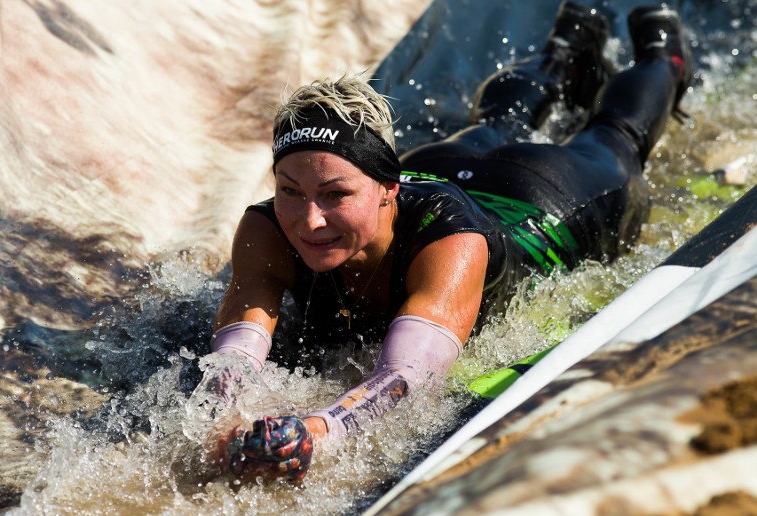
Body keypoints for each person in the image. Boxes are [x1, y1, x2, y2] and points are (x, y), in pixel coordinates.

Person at [207, 2, 693, 481]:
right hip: (444, 162)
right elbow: (232, 361)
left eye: (335, 194)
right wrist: (222, 424)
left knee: (615, 138)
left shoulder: (452, 240)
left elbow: (404, 379)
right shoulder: (267, 227)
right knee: (499, 121)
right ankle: (567, 46)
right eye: (290, 190)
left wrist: (317, 431)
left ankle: (661, 53)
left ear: (387, 188)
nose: (309, 221)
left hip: (543, 196)